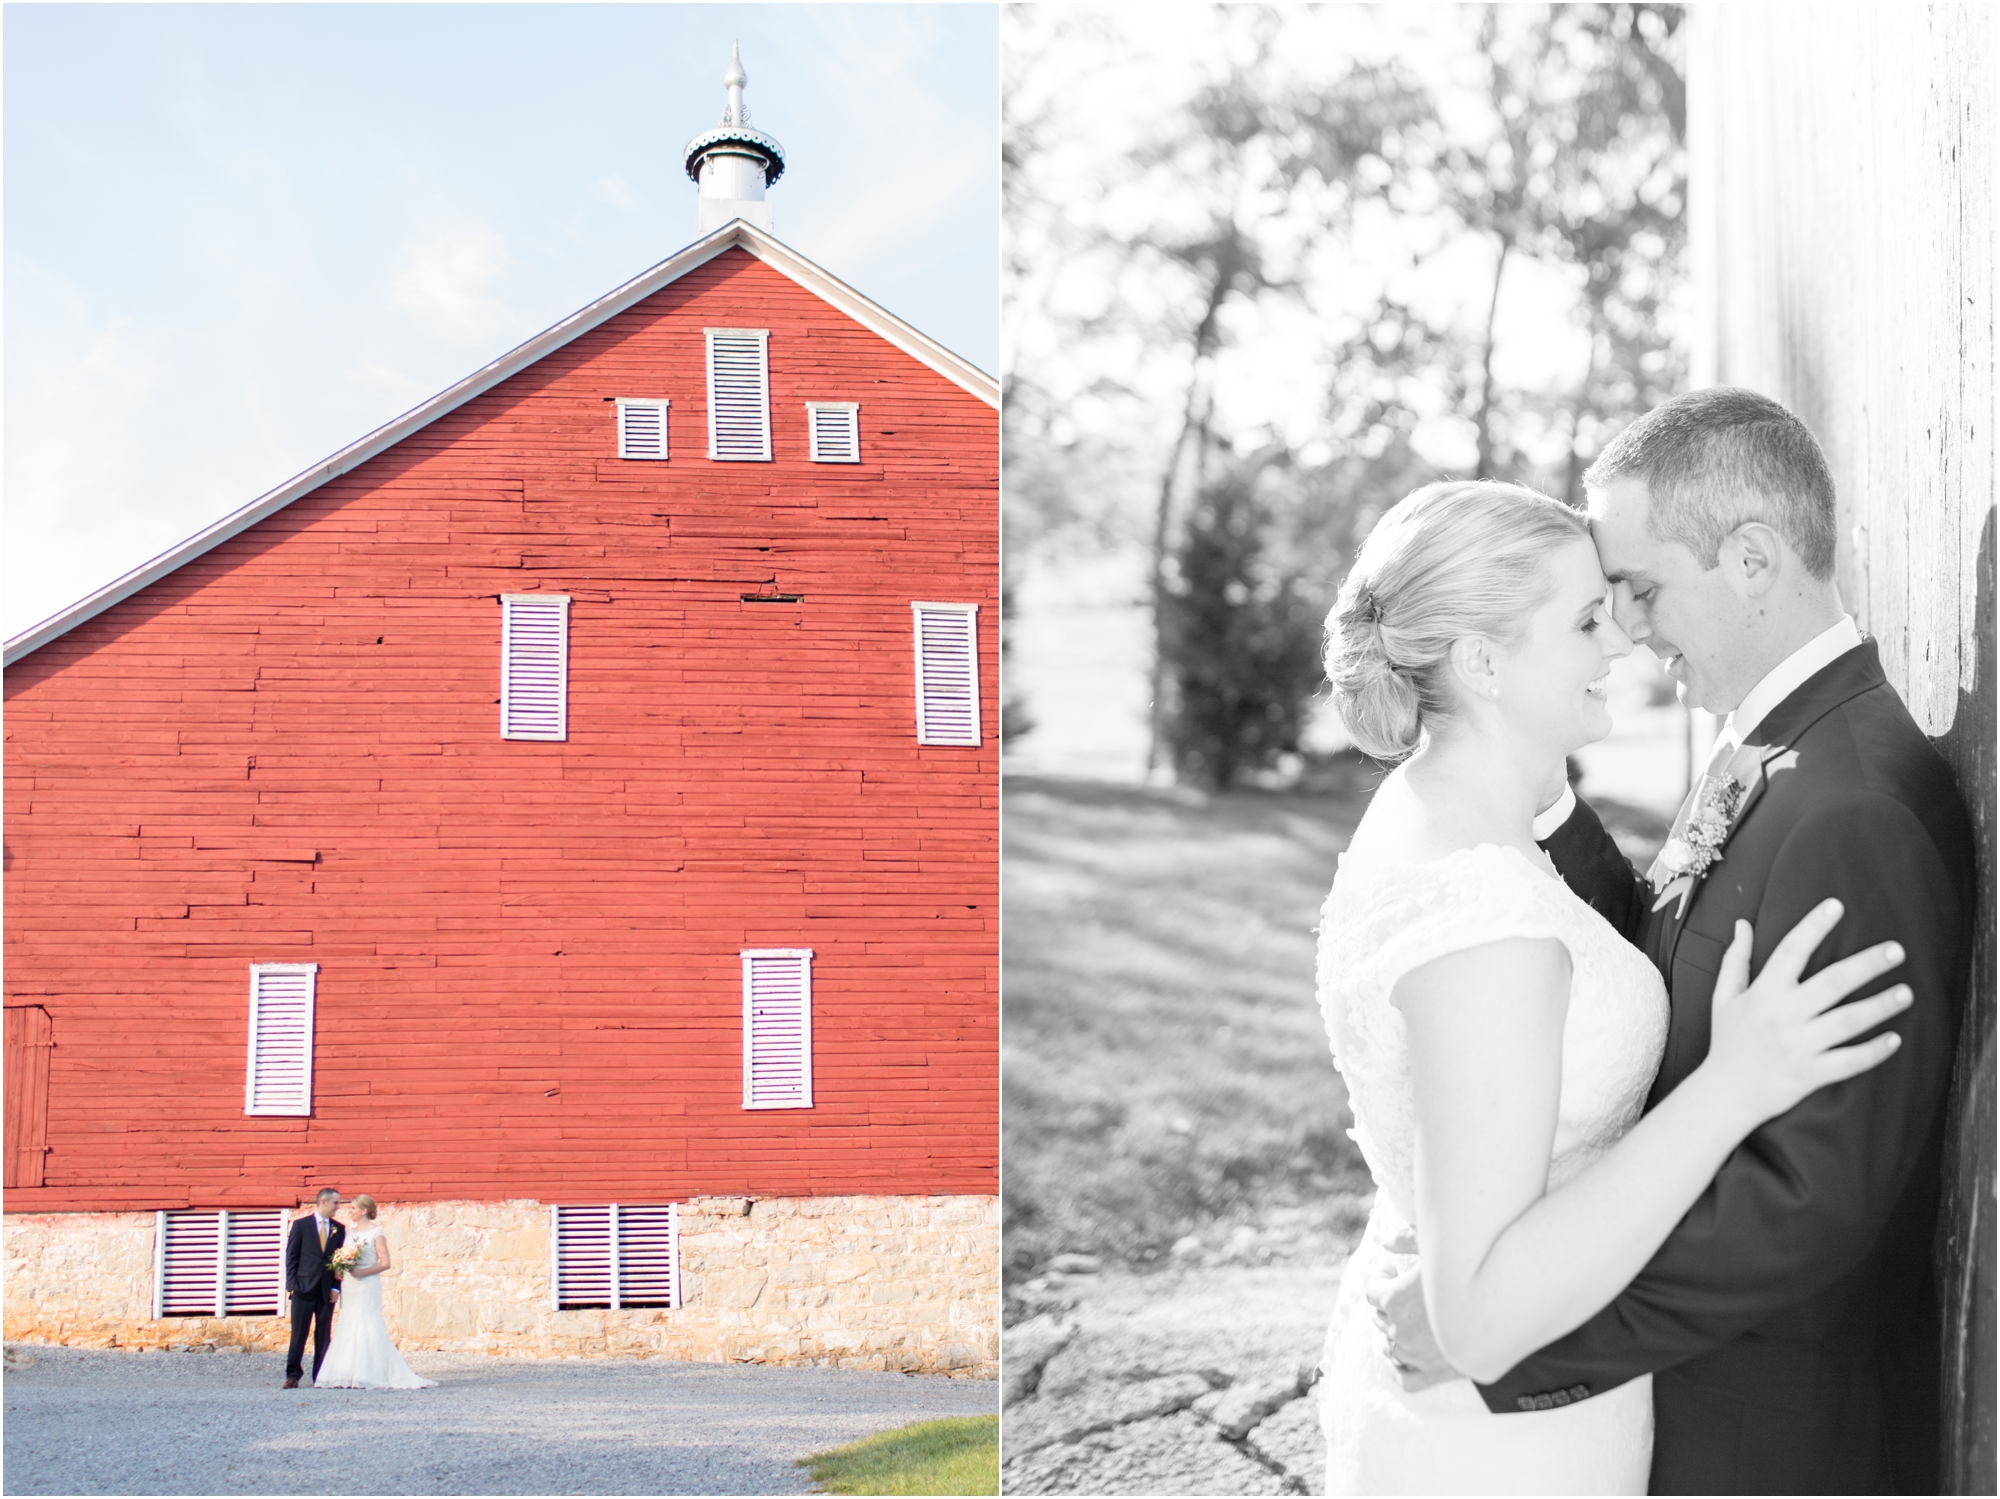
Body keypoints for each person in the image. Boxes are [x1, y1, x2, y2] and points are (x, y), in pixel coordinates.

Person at [1371, 390, 1974, 1494]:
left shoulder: (1852, 810)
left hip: (1770, 1438)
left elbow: (1807, 1202)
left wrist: (1505, 1340)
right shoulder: (1773, 737)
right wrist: (1537, 793)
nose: (1631, 629)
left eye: (1639, 591)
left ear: (1750, 558)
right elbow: (1669, 956)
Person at [312, 1194, 438, 1390]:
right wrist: (339, 1268)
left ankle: (369, 1372)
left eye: (353, 1208)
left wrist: (362, 1271)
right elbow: (340, 1257)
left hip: (367, 1284)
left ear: (363, 1211)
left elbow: (385, 1262)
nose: (349, 1211)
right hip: (350, 1285)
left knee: (367, 1322)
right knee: (347, 1322)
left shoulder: (376, 1233)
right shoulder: (347, 1233)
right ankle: (344, 1372)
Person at [283, 1187, 346, 1388]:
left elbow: (339, 1262)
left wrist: (336, 1288)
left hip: (326, 1290)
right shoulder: (301, 1225)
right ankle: (293, 1374)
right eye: (336, 1203)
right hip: (303, 1288)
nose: (338, 1207)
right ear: (324, 1202)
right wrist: (292, 1285)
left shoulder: (339, 1228)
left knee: (323, 1334)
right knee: (298, 1334)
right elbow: (291, 1256)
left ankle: (320, 1375)